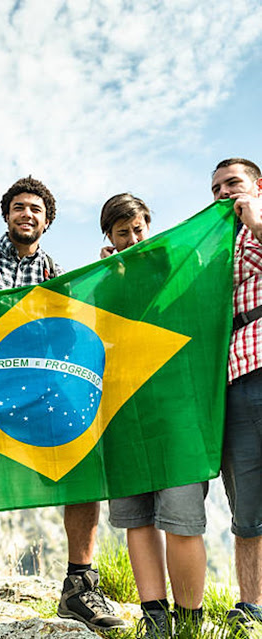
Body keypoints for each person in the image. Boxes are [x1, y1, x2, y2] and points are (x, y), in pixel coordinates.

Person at [0, 175, 125, 637]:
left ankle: (79, 586)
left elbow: (69, 331)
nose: (27, 214)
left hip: (36, 392)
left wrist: (110, 277)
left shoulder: (54, 272)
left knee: (83, 461)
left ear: (47, 222)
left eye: (36, 210)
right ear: (7, 215)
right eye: (19, 207)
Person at [100, 193, 208, 638]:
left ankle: (189, 624)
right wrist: (107, 276)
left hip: (177, 413)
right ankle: (155, 621)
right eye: (121, 232)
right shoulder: (103, 283)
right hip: (124, 417)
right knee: (137, 520)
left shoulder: (175, 266)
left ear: (150, 226)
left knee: (182, 521)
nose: (131, 238)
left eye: (138, 229)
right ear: (109, 237)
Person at [211, 158, 262, 631]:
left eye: (233, 183)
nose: (224, 192)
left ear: (257, 185)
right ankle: (252, 607)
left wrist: (257, 220)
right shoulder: (215, 243)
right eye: (216, 188)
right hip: (235, 378)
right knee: (247, 504)